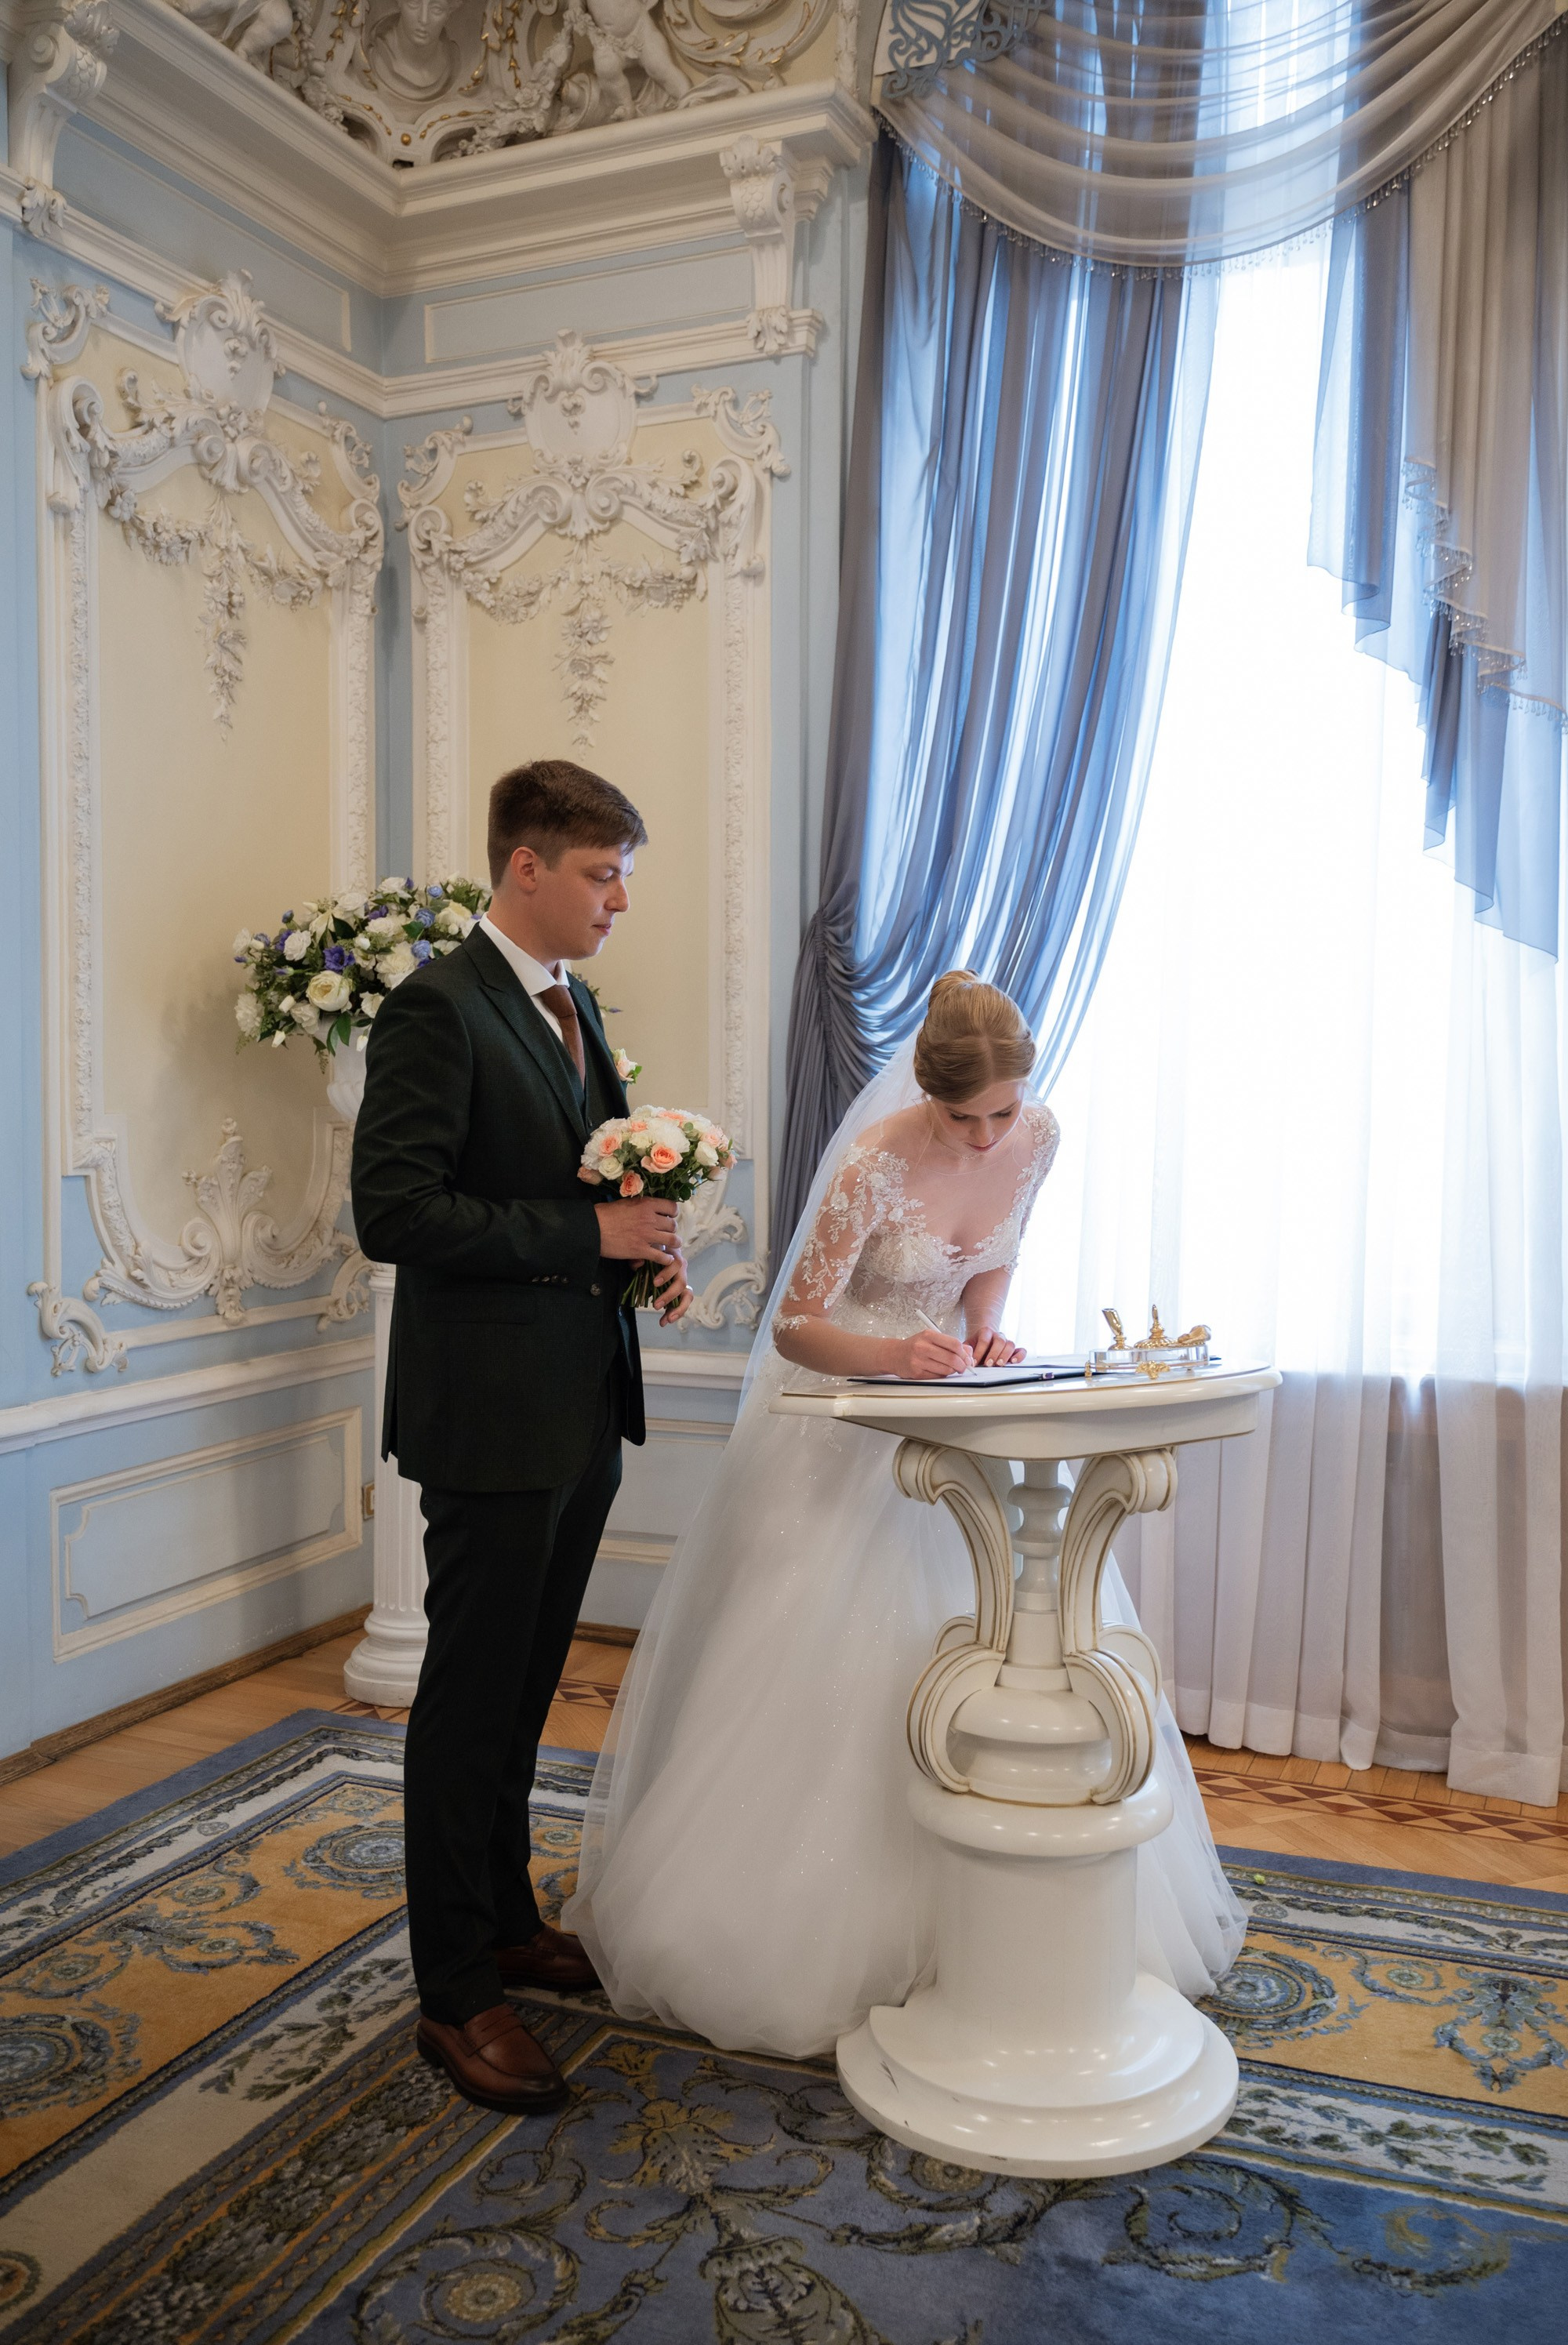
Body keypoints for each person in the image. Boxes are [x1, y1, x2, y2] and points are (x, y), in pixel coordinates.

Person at [565, 970, 1245, 2058]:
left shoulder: (1040, 1136)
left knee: (1011, 1637)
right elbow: (794, 1327)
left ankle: (1015, 1929)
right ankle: (814, 1933)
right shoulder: (875, 1164)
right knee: (838, 1666)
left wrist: (986, 1337)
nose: (986, 1139)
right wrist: (896, 1355)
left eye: (1004, 1114)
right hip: (846, 1433)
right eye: (964, 1118)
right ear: (926, 1097)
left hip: (960, 1415)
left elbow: (993, 1256)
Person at [351, 757, 691, 2115]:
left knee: (528, 1684)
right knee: (469, 1700)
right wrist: (584, 1233)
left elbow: (579, 1171)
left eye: (624, 878)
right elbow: (397, 1214)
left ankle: (503, 1918)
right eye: (602, 875)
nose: (618, 902)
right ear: (527, 869)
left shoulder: (570, 1001)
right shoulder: (438, 1009)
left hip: (579, 1402)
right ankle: (454, 1996)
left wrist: (635, 1259)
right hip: (489, 1417)